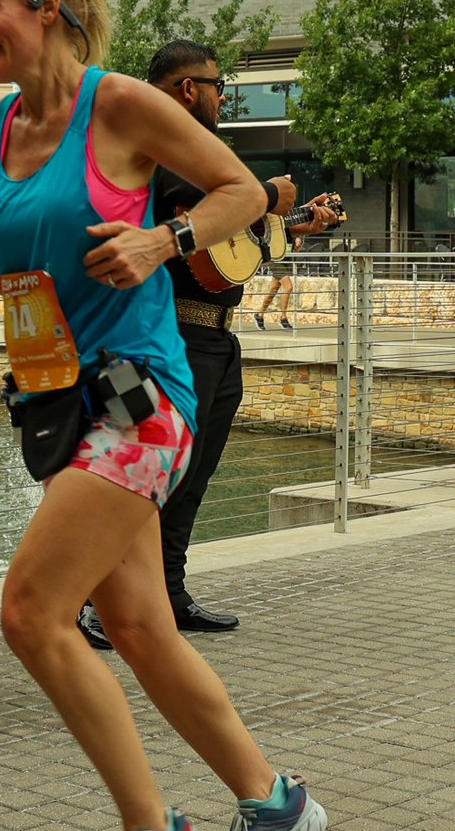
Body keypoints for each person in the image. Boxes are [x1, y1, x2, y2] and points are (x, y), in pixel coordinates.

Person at [0, 0, 328, 831]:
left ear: (45, 6)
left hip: (142, 401)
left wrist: (160, 239)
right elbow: (9, 275)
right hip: (57, 395)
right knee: (138, 629)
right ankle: (272, 804)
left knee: (29, 611)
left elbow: (241, 188)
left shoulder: (123, 102)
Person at [79, 39, 337, 651]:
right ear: (187, 90)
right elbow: (217, 214)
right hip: (163, 342)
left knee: (191, 480)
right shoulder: (152, 151)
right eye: (220, 87)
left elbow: (229, 250)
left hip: (216, 342)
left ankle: (168, 593)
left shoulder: (202, 160)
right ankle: (96, 602)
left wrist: (295, 228)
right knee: (134, 480)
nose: (225, 98)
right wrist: (270, 194)